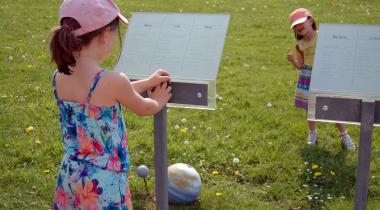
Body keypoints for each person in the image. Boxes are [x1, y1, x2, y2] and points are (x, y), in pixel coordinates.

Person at [49, 0, 172, 209]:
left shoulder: (60, 76)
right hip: (103, 182)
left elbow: (110, 92)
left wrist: (147, 82)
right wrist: (158, 100)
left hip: (71, 174)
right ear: (105, 34)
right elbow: (143, 107)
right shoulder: (112, 81)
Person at [286, 8, 355, 150]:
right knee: (311, 109)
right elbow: (300, 65)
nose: (298, 27)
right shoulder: (299, 45)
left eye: (301, 23)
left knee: (333, 107)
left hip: (325, 75)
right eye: (295, 26)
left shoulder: (324, 36)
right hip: (308, 77)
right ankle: (312, 134)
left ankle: (344, 135)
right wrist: (293, 60)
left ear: (310, 20)